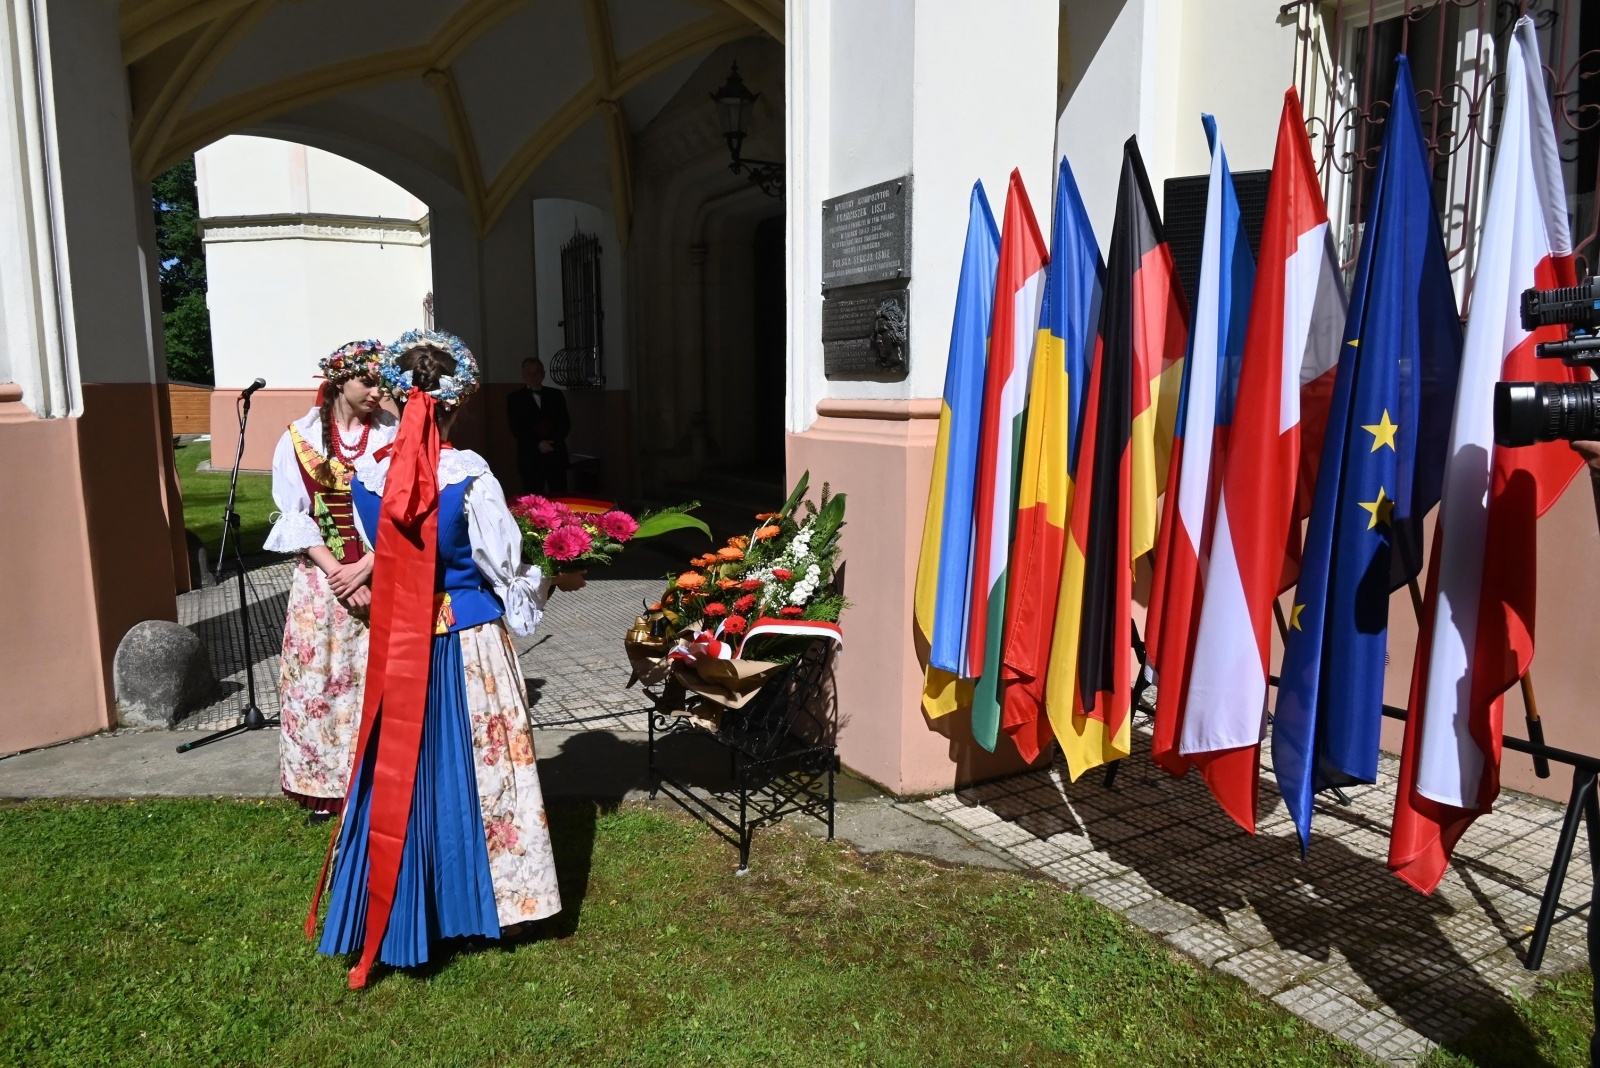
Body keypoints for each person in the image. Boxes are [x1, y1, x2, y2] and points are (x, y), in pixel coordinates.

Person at [312, 329, 586, 987]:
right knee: (486, 771)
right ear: (456, 405)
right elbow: (506, 573)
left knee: (405, 769)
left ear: (396, 402)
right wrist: (555, 575)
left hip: (400, 646)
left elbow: (384, 567)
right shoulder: (471, 475)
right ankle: (500, 904)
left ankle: (411, 905)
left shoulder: (367, 478)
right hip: (468, 644)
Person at [264, 341, 398, 816]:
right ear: (341, 381)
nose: (378, 392)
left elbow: (408, 511)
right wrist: (340, 572)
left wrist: (370, 565)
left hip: (384, 571)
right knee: (323, 679)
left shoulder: (393, 433)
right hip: (324, 583)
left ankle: (385, 783)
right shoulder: (300, 436)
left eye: (383, 382)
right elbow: (294, 515)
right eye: (369, 382)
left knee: (379, 677)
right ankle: (326, 785)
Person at [506, 356, 570, 494]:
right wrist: (538, 444)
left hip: (556, 455)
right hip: (530, 458)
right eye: (529, 373)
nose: (533, 376)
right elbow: (516, 428)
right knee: (533, 501)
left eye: (537, 372)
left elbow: (565, 423)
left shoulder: (556, 395)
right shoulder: (515, 399)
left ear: (543, 374)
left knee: (560, 498)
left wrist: (553, 443)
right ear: (523, 375)